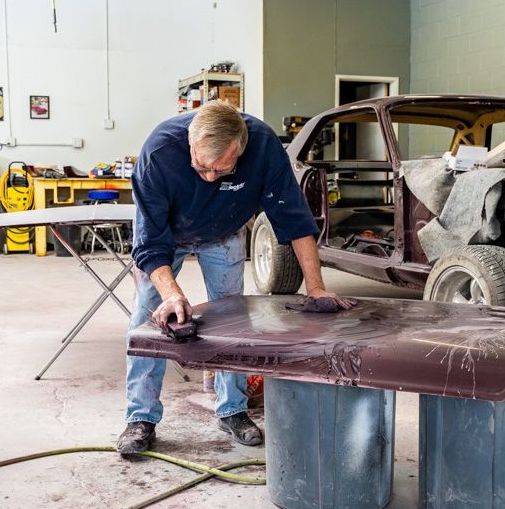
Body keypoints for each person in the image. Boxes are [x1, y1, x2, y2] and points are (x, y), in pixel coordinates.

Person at [117, 101, 353, 454]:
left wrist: (316, 287)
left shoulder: (264, 147)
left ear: (240, 149)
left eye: (221, 170)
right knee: (148, 322)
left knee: (233, 322)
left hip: (224, 234)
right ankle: (141, 418)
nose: (210, 177)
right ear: (190, 143)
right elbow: (149, 241)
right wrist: (172, 294)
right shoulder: (159, 152)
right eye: (202, 168)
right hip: (167, 234)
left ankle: (232, 410)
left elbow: (294, 218)